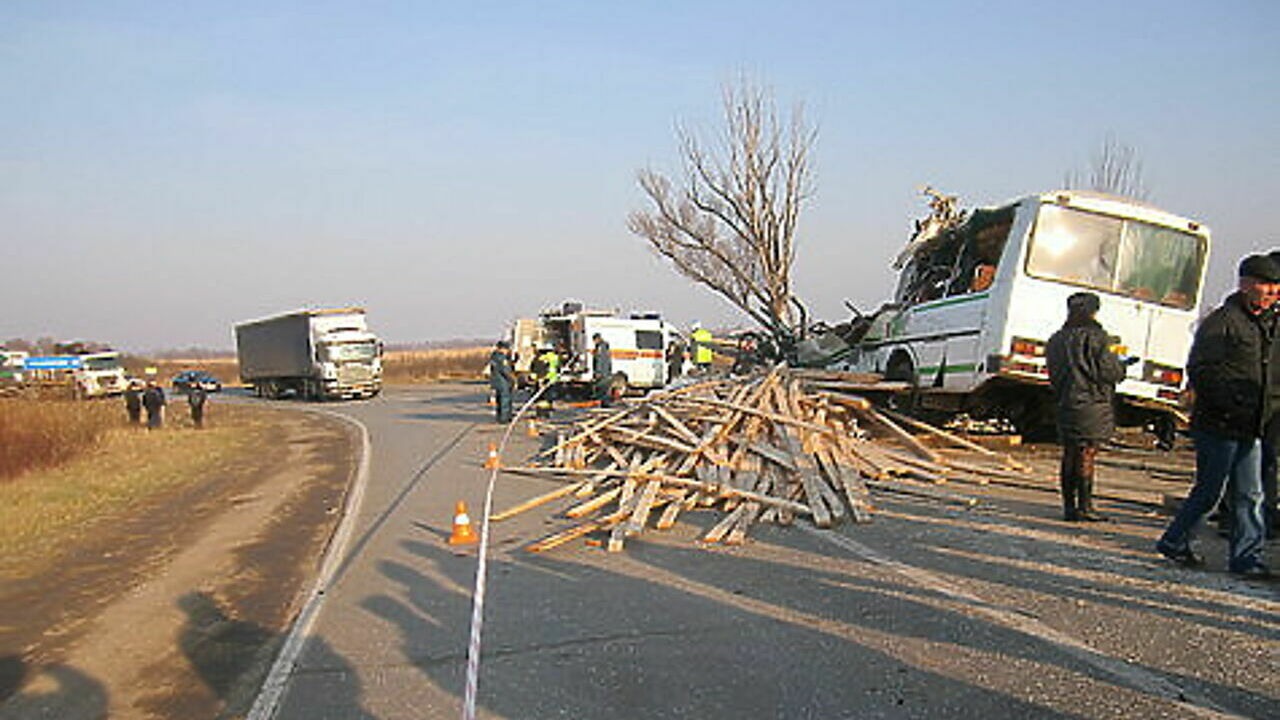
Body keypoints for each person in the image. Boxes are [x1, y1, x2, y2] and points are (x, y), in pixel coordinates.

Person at [1156, 253, 1280, 578]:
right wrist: (1232, 403)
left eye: (1276, 287)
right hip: (1219, 425)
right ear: (1246, 284)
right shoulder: (1223, 322)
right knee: (1209, 492)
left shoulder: (1268, 324)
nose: (1272, 293)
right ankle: (1174, 540)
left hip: (1251, 427)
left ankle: (1246, 558)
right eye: (1266, 286)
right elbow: (1201, 369)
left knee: (1251, 494)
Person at [1045, 291, 1129, 522]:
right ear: (1094, 311)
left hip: (1064, 401)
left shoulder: (1055, 339)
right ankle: (1086, 507)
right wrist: (1123, 367)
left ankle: (1070, 508)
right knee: (1087, 452)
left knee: (1070, 452)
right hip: (1093, 403)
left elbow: (1053, 372)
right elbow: (1110, 372)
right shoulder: (1099, 337)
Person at [488, 341, 515, 423]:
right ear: (502, 349)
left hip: (496, 381)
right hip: (503, 382)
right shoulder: (502, 358)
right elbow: (505, 370)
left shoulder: (494, 357)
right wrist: (512, 379)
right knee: (505, 400)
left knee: (499, 400)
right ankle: (505, 418)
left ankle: (500, 417)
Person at [591, 333, 613, 406]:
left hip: (603, 372)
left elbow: (600, 360)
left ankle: (605, 403)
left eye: (594, 340)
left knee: (603, 387)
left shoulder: (601, 347)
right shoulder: (604, 346)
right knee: (604, 387)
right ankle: (604, 402)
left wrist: (598, 372)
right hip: (605, 371)